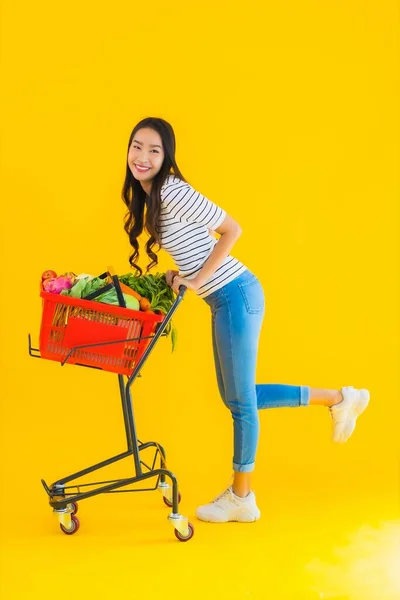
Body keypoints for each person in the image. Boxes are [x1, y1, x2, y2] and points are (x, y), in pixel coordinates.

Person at [121, 116, 370, 524]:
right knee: (239, 397)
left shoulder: (172, 191)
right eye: (136, 146)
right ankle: (340, 398)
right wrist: (177, 274)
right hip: (225, 299)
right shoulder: (152, 198)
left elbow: (232, 229)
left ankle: (242, 496)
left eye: (154, 150)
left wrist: (199, 279)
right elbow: (193, 246)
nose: (143, 157)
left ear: (167, 157)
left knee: (240, 404)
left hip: (236, 293)